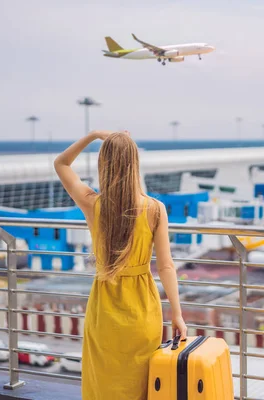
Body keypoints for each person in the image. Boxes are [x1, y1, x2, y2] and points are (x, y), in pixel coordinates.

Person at [54, 130, 187, 400]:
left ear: (104, 164)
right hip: (142, 309)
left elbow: (61, 164)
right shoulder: (155, 209)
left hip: (104, 309)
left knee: (102, 385)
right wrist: (177, 314)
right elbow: (166, 267)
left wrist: (93, 135)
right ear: (134, 163)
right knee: (140, 385)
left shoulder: (93, 204)